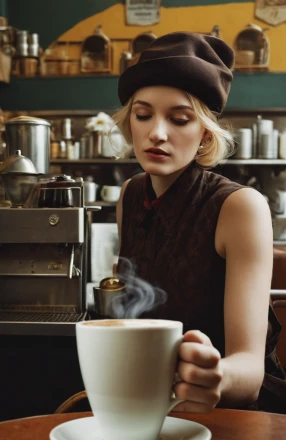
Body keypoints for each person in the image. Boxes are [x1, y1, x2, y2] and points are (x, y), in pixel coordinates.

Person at [113, 32, 286, 414]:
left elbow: (249, 371)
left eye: (179, 119)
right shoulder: (129, 195)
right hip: (150, 402)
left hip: (235, 416)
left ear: (205, 134)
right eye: (143, 115)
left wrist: (213, 377)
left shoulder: (240, 208)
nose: (156, 132)